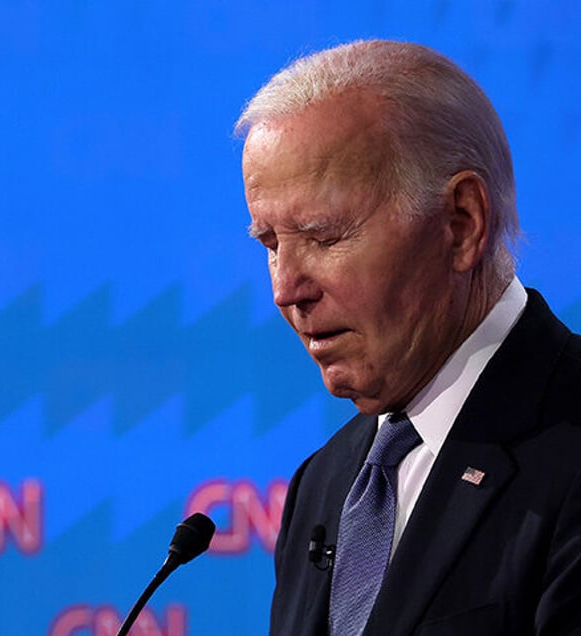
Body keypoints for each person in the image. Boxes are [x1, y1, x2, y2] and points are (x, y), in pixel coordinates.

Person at [236, 40, 581, 635]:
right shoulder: (323, 484)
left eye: (323, 236)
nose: (286, 291)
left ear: (461, 224)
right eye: (271, 244)